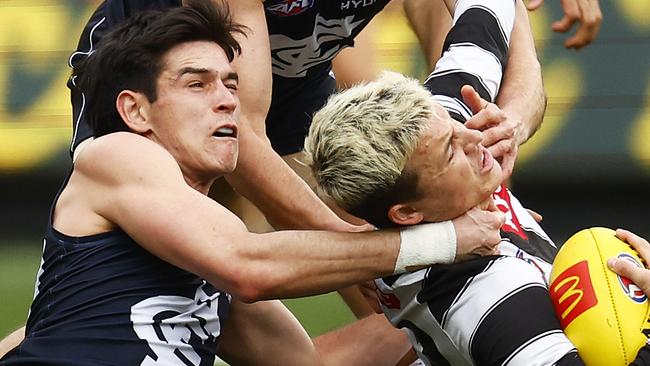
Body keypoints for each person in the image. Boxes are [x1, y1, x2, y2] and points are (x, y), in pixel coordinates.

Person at [0, 2, 505, 364]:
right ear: (135, 110)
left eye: (231, 84)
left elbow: (307, 361)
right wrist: (440, 242)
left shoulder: (204, 270)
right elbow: (249, 266)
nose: (225, 101)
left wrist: (454, 313)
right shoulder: (115, 154)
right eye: (197, 84)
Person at [304, 0, 648, 364]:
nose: (474, 139)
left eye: (453, 125)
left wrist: (512, 116)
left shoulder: (436, 130)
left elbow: (489, 8)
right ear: (408, 213)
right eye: (451, 151)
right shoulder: (480, 292)